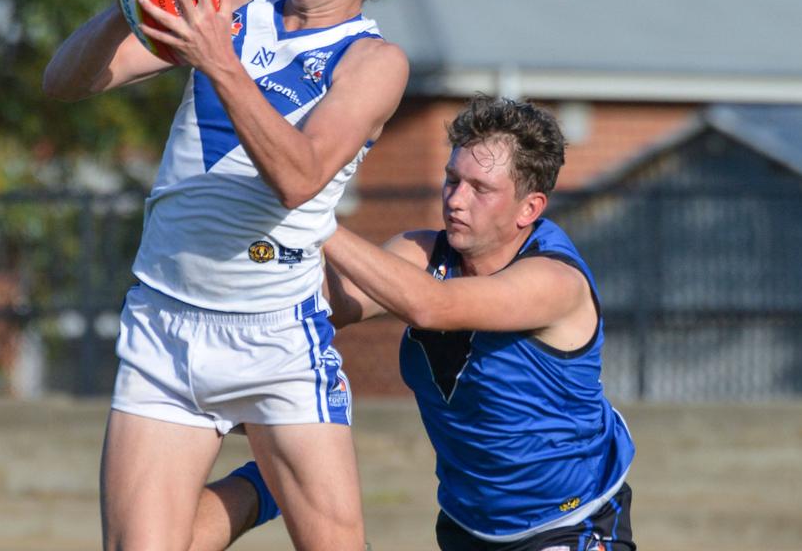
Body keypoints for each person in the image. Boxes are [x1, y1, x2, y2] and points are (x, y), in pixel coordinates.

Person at [42, 0, 435, 551]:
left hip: (275, 336)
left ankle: (267, 481)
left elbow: (300, 177)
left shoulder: (373, 64)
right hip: (164, 324)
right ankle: (262, 486)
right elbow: (65, 82)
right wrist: (122, 9)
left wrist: (216, 58)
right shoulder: (222, 9)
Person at [192, 95, 637, 551]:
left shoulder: (554, 280)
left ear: (529, 209)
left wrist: (312, 220)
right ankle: (274, 483)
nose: (455, 199)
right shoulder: (421, 252)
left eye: (479, 188)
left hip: (571, 522)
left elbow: (432, 306)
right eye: (451, 179)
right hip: (468, 526)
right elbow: (330, 302)